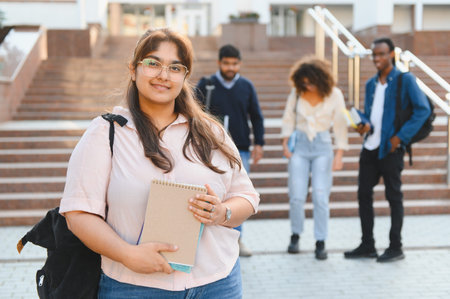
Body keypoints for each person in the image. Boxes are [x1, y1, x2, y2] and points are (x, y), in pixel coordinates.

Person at [59, 28, 260, 298]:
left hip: (217, 282)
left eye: (175, 67)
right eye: (153, 63)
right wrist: (128, 255)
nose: (163, 75)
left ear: (185, 77)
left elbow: (246, 196)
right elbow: (78, 214)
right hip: (134, 286)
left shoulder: (210, 133)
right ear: (133, 69)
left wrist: (222, 212)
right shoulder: (105, 133)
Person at [344, 37, 431, 262]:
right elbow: (373, 114)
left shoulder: (405, 80)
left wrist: (401, 137)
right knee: (363, 194)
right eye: (374, 55)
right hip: (370, 146)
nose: (377, 58)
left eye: (382, 54)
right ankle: (367, 244)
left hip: (391, 149)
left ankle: (396, 247)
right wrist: (363, 124)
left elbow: (421, 111)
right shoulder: (371, 84)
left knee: (394, 196)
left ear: (392, 54)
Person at [196, 44, 265, 257]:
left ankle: (237, 240)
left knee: (238, 196)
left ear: (240, 64)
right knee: (208, 192)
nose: (230, 67)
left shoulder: (246, 86)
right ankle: (204, 241)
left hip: (240, 150)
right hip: (209, 150)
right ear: (219, 62)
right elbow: (193, 113)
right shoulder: (207, 85)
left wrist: (259, 143)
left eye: (234, 63)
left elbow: (256, 116)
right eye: (226, 63)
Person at [281, 57, 349, 260]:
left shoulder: (335, 95)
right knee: (297, 195)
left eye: (310, 82)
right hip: (300, 146)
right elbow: (288, 118)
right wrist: (285, 143)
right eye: (303, 82)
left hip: (322, 146)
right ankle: (295, 234)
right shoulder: (297, 92)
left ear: (321, 80)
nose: (307, 86)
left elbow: (340, 125)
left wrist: (340, 154)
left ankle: (321, 241)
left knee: (320, 196)